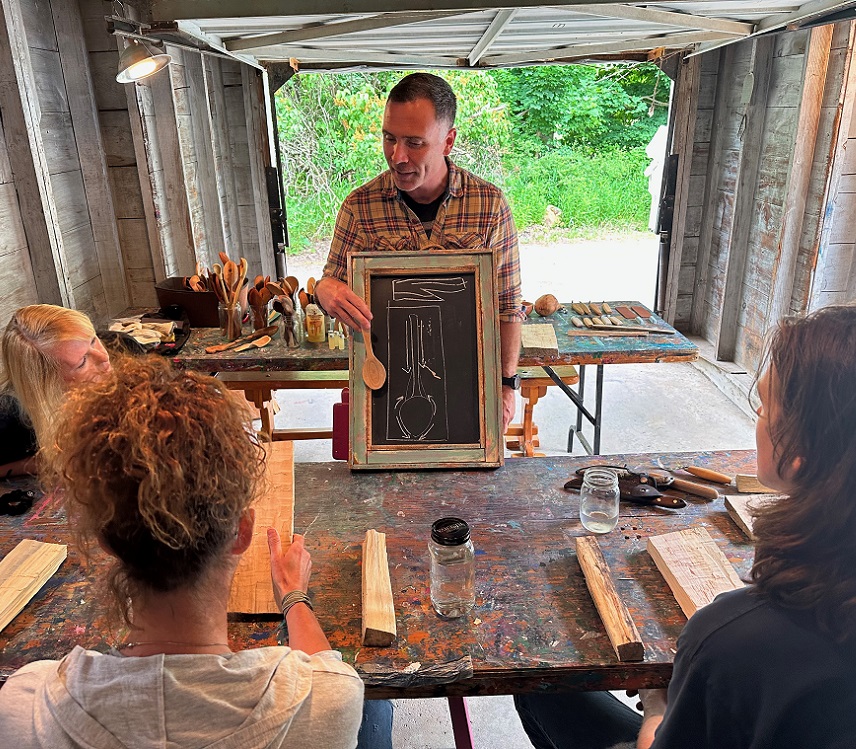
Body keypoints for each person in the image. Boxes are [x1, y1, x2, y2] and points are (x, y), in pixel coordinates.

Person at [514, 303, 856, 749]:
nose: (756, 415)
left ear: (799, 456)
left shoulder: (731, 642)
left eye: (765, 408)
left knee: (540, 688)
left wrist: (660, 703)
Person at [0, 355, 386, 748]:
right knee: (379, 714)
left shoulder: (26, 707)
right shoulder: (325, 702)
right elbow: (325, 670)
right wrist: (294, 598)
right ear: (242, 532)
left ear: (104, 540)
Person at [314, 72, 524, 432]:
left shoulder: (488, 204)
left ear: (447, 141)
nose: (397, 157)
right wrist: (325, 291)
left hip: (469, 384)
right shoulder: (360, 207)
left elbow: (507, 304)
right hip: (384, 385)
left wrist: (507, 384)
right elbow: (329, 285)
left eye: (414, 143)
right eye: (389, 138)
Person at [0, 304, 112, 477]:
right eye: (82, 362)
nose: (104, 357)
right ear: (48, 382)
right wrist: (42, 463)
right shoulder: (10, 415)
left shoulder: (119, 346)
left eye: (93, 340)